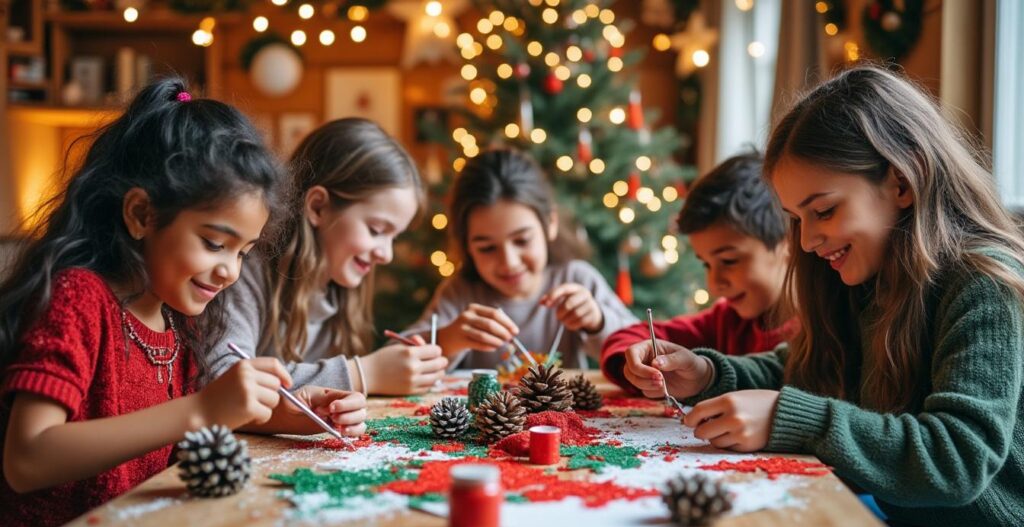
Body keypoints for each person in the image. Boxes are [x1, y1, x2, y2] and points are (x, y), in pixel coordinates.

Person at [633, 65, 1024, 527]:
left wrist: (792, 418)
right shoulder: (867, 277)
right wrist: (706, 374)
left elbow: (957, 458)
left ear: (901, 181)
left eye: (823, 211)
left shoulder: (983, 282)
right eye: (797, 218)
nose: (807, 240)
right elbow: (803, 368)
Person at [0, 78, 366, 527]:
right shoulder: (78, 298)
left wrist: (294, 413)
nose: (231, 271)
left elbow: (193, 420)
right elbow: (27, 458)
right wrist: (201, 410)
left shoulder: (179, 320)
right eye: (215, 243)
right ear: (141, 214)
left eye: (244, 253)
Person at [210, 118, 447, 395]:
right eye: (376, 230)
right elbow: (226, 380)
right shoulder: (244, 270)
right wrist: (364, 373)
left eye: (394, 237)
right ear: (318, 207)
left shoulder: (339, 288)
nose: (386, 255)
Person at [403, 148, 637, 370]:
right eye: (487, 248)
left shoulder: (576, 279)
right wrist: (446, 341)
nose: (509, 262)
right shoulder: (460, 294)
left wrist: (598, 321)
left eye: (522, 241)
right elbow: (399, 354)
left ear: (550, 224)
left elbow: (643, 350)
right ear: (467, 246)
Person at [604, 152, 795, 393]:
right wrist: (638, 365)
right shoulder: (727, 321)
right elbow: (628, 337)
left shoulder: (824, 333)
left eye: (728, 261)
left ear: (788, 242)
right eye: (706, 264)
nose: (714, 284)